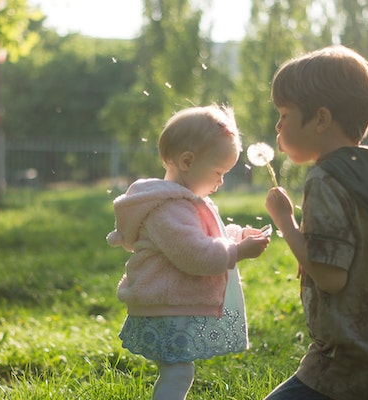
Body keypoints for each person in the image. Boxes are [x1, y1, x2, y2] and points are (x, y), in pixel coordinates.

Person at [263, 46, 368, 400]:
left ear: (320, 119)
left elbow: (331, 277)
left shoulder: (325, 180)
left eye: (285, 114)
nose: (277, 125)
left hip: (348, 361)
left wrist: (285, 221)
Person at [107, 104, 271, 400]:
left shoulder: (180, 203)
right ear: (187, 161)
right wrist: (238, 252)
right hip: (164, 307)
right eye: (219, 172)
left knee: (179, 371)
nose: (221, 181)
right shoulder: (167, 209)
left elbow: (205, 236)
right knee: (178, 372)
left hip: (170, 305)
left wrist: (237, 235)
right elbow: (195, 254)